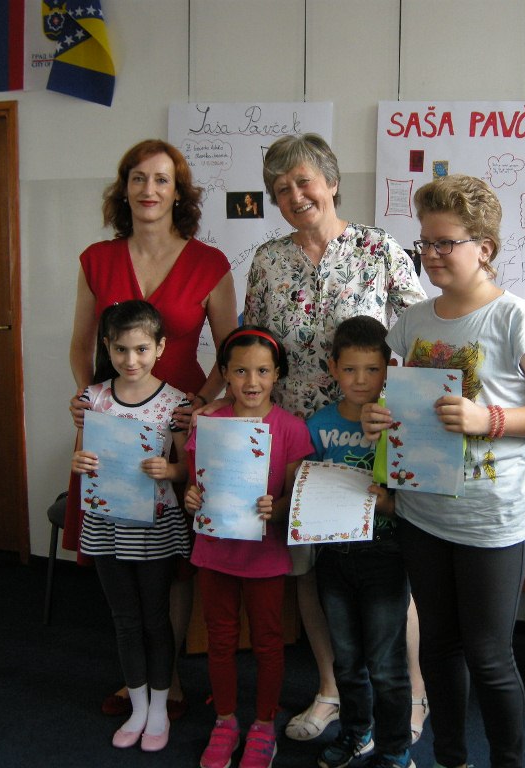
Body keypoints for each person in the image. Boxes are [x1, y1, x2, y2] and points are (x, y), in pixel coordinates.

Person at [361, 174, 525, 768]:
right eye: (424, 243)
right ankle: (451, 758)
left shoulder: (514, 318)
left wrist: (490, 419)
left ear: (484, 247)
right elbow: (403, 404)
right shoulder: (413, 321)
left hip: (490, 517)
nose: (430, 255)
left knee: (489, 655)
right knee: (438, 647)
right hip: (423, 510)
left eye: (444, 243)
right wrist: (380, 419)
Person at [244, 132, 428, 741]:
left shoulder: (379, 249)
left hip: (374, 437)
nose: (295, 195)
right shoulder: (267, 261)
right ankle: (330, 688)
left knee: (389, 571)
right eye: (281, 189)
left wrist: (407, 413)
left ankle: (412, 691)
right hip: (301, 440)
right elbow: (256, 347)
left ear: (331, 182)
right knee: (311, 567)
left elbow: (420, 340)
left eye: (304, 181)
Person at [65, 138, 238, 718]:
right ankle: (136, 677)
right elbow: (81, 345)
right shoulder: (97, 259)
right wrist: (89, 401)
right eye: (138, 178)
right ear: (124, 189)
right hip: (112, 426)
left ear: (178, 192)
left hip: (180, 426)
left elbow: (229, 351)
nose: (149, 190)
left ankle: (170, 678)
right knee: (118, 542)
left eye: (162, 179)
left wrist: (202, 402)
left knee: (175, 555)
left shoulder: (209, 262)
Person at [185, 326, 314, 768]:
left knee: (267, 641)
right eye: (240, 371)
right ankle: (225, 720)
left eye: (262, 371)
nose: (252, 381)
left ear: (277, 374)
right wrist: (191, 498)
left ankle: (263, 724)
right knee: (220, 639)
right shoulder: (210, 425)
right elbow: (194, 487)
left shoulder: (290, 429)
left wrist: (276, 509)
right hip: (215, 552)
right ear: (224, 373)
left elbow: (293, 499)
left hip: (265, 557)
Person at [69, 301, 191, 752]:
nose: (131, 359)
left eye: (141, 349)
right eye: (120, 349)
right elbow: (82, 454)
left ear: (160, 347)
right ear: (107, 347)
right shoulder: (93, 399)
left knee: (155, 618)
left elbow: (186, 469)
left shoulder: (175, 402)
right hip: (105, 522)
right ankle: (138, 706)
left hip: (153, 525)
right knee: (124, 619)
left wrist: (169, 470)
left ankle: (159, 708)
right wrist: (79, 462)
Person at [308, 316, 414, 768]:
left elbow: (414, 490)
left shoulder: (400, 423)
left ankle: (395, 748)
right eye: (350, 369)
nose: (360, 380)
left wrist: (390, 503)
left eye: (372, 370)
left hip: (385, 555)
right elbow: (306, 485)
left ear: (388, 369)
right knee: (347, 660)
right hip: (333, 555)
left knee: (386, 665)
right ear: (333, 368)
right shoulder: (319, 424)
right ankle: (356, 733)